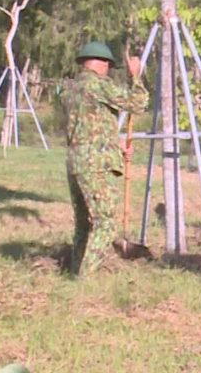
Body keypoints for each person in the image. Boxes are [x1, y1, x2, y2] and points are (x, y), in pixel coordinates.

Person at [62, 41, 148, 276]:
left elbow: (86, 123)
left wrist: (114, 143)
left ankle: (74, 271)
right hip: (95, 165)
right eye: (108, 65)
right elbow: (137, 103)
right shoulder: (98, 84)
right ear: (101, 64)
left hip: (75, 161)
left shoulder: (71, 88)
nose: (108, 70)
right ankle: (86, 277)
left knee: (83, 224)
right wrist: (135, 77)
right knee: (106, 221)